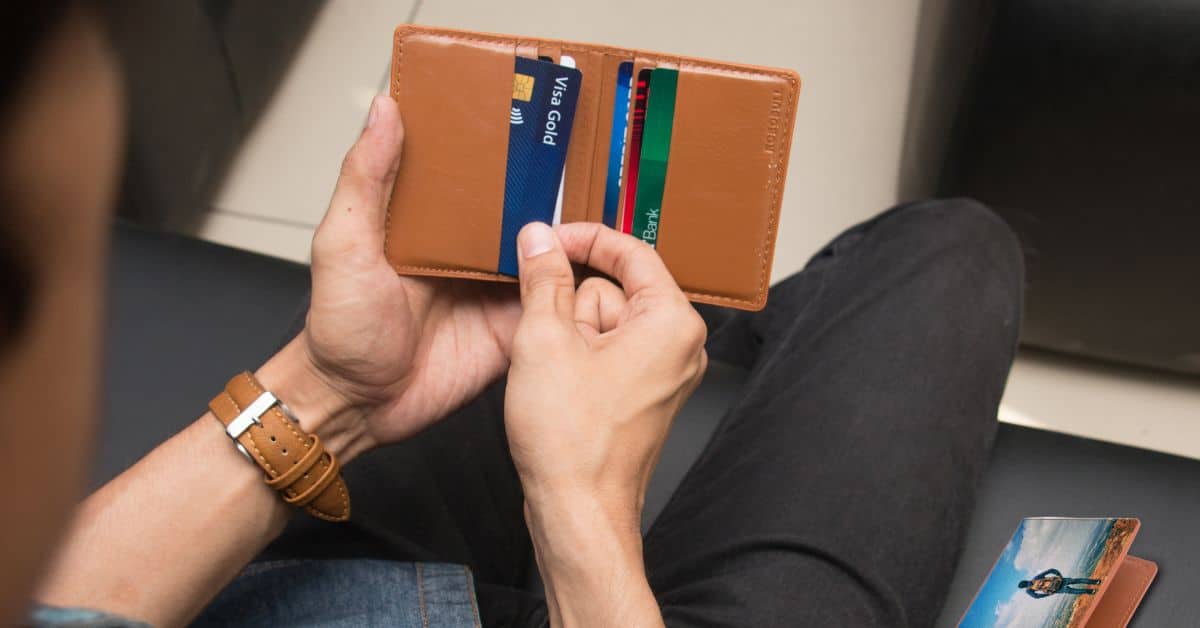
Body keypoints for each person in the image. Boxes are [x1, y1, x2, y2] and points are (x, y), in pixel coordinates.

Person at [1, 3, 1024, 627]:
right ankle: (744, 354)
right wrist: (581, 512)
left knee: (611, 271)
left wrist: (332, 393)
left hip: (285, 590)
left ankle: (730, 351)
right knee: (947, 257)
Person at [1018, 569, 1102, 598]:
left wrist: (1048, 594)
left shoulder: (1028, 590)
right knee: (1078, 580)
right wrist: (1059, 575)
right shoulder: (1035, 578)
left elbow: (1036, 596)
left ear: (1023, 587)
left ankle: (1091, 591)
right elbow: (1050, 570)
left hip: (1056, 589)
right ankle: (1096, 582)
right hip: (1059, 580)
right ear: (1025, 580)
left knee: (1075, 591)